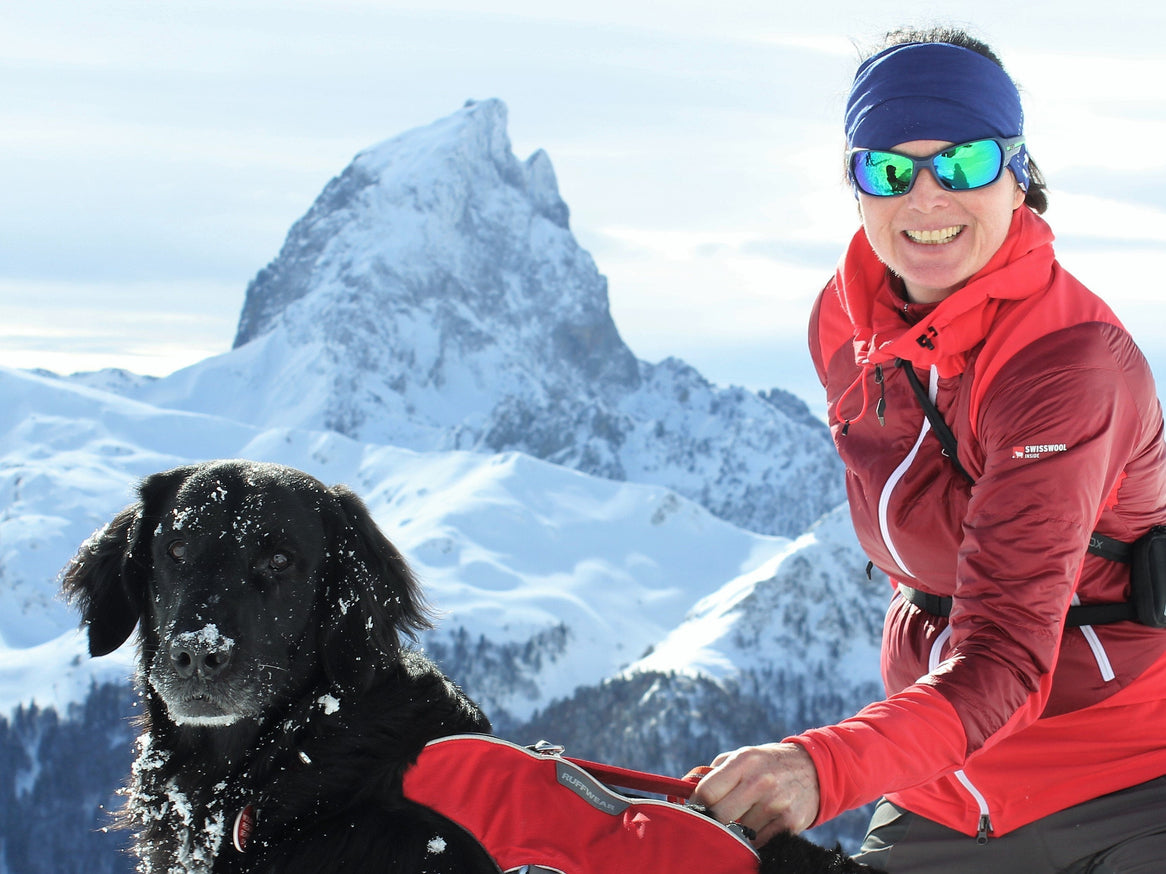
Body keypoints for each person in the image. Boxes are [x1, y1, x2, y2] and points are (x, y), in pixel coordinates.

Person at [692, 26, 1166, 873]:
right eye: (888, 167)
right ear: (856, 186)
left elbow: (1008, 653)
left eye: (964, 162)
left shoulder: (1067, 366)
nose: (926, 197)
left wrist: (818, 767)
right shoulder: (844, 323)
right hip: (950, 774)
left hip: (1131, 772)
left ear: (1018, 176)